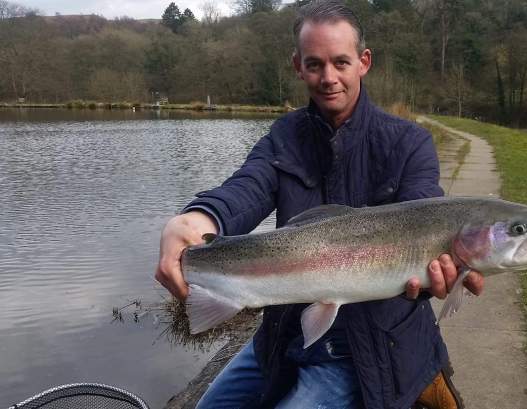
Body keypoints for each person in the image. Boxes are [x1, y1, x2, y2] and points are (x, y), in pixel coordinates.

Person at [154, 1, 484, 408]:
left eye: (340, 62)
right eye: (314, 65)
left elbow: (423, 216)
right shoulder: (283, 136)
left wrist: (439, 275)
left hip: (371, 350)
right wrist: (196, 219)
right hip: (284, 337)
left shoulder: (408, 144)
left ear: (363, 62)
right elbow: (246, 187)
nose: (328, 78)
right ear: (298, 66)